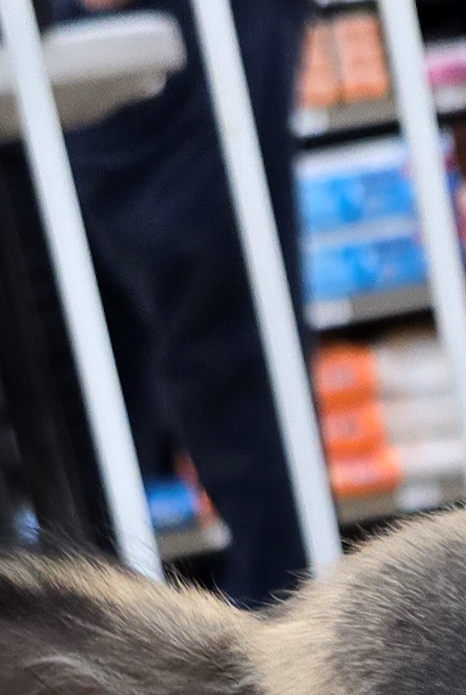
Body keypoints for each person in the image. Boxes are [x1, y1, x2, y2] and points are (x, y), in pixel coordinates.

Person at [54, 0, 312, 607]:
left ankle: (278, 646)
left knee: (235, 383)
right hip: (32, 34)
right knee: (67, 394)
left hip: (188, 30)